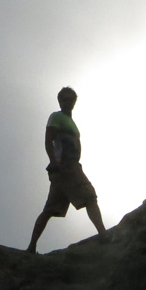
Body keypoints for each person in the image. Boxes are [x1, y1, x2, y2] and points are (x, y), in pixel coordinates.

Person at [27, 87, 107, 254]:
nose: (68, 102)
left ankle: (31, 246)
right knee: (90, 196)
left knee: (49, 210)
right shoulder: (56, 117)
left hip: (64, 169)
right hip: (66, 166)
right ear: (59, 101)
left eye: (71, 99)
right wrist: (54, 161)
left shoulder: (71, 121)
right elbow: (48, 140)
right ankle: (103, 234)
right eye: (65, 99)